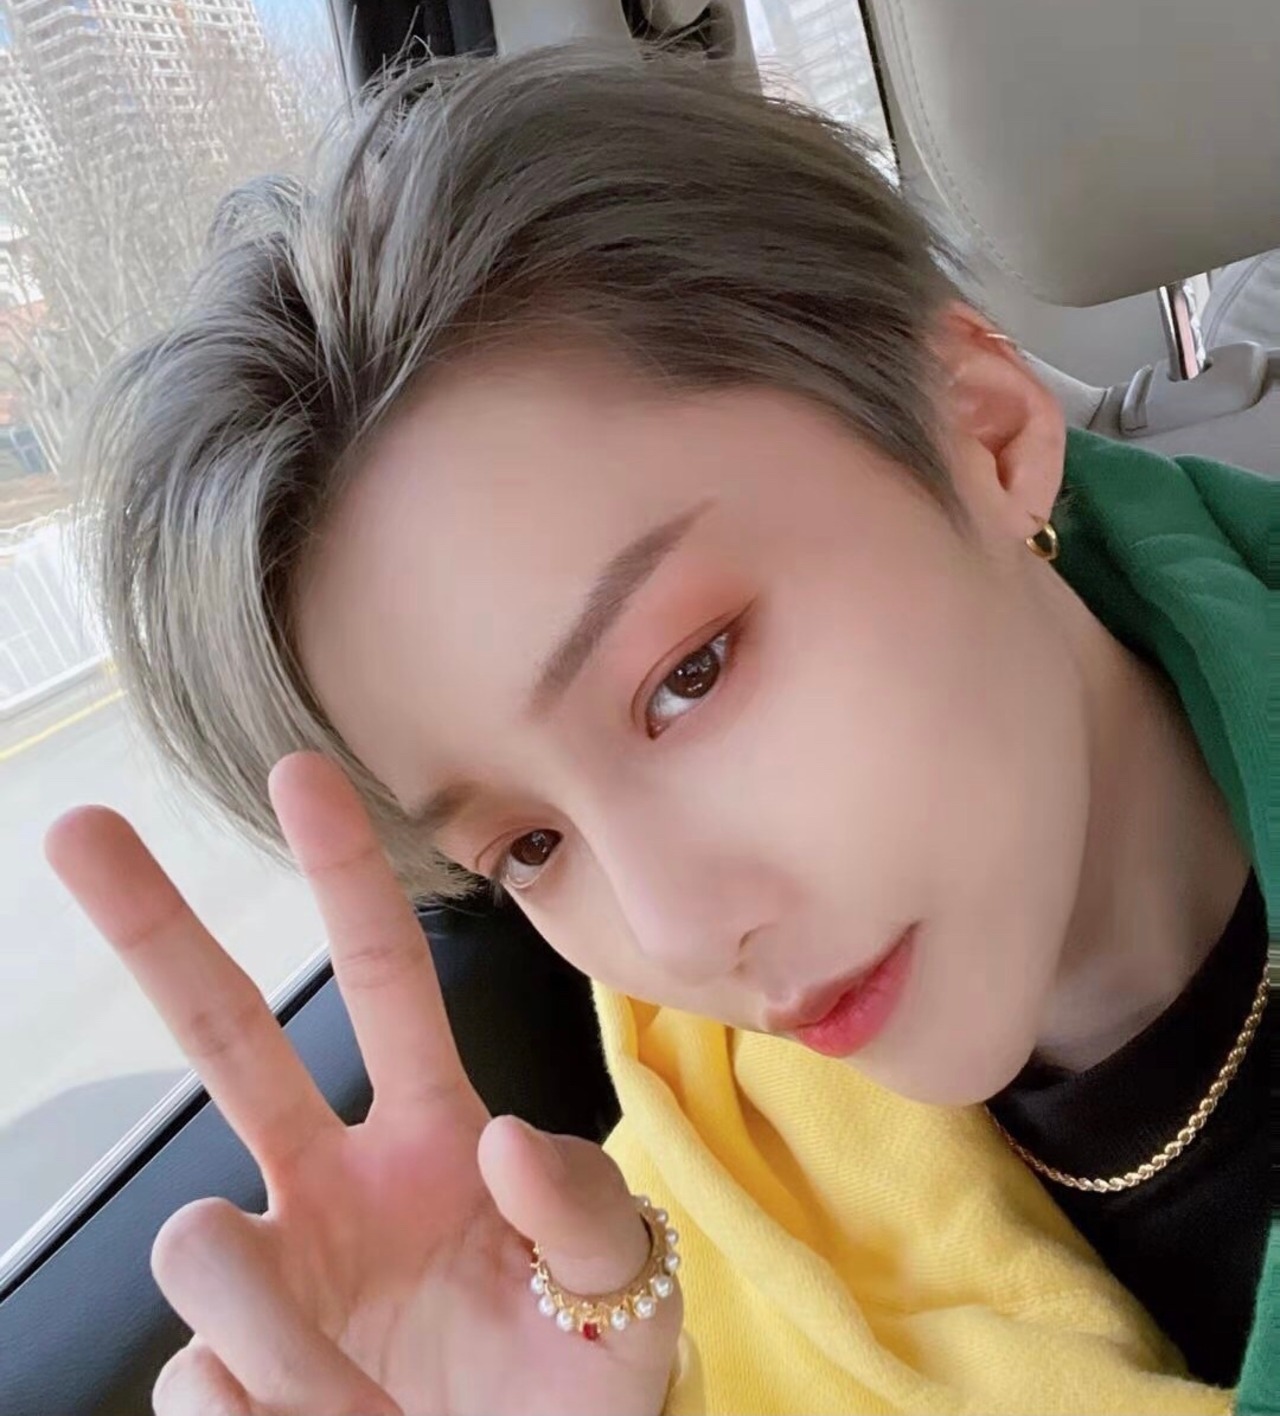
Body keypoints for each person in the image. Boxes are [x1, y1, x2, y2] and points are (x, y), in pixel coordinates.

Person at [43, 44, 1275, 1416]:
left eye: (690, 675)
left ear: (983, 433)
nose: (678, 937)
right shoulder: (683, 1236)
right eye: (528, 846)